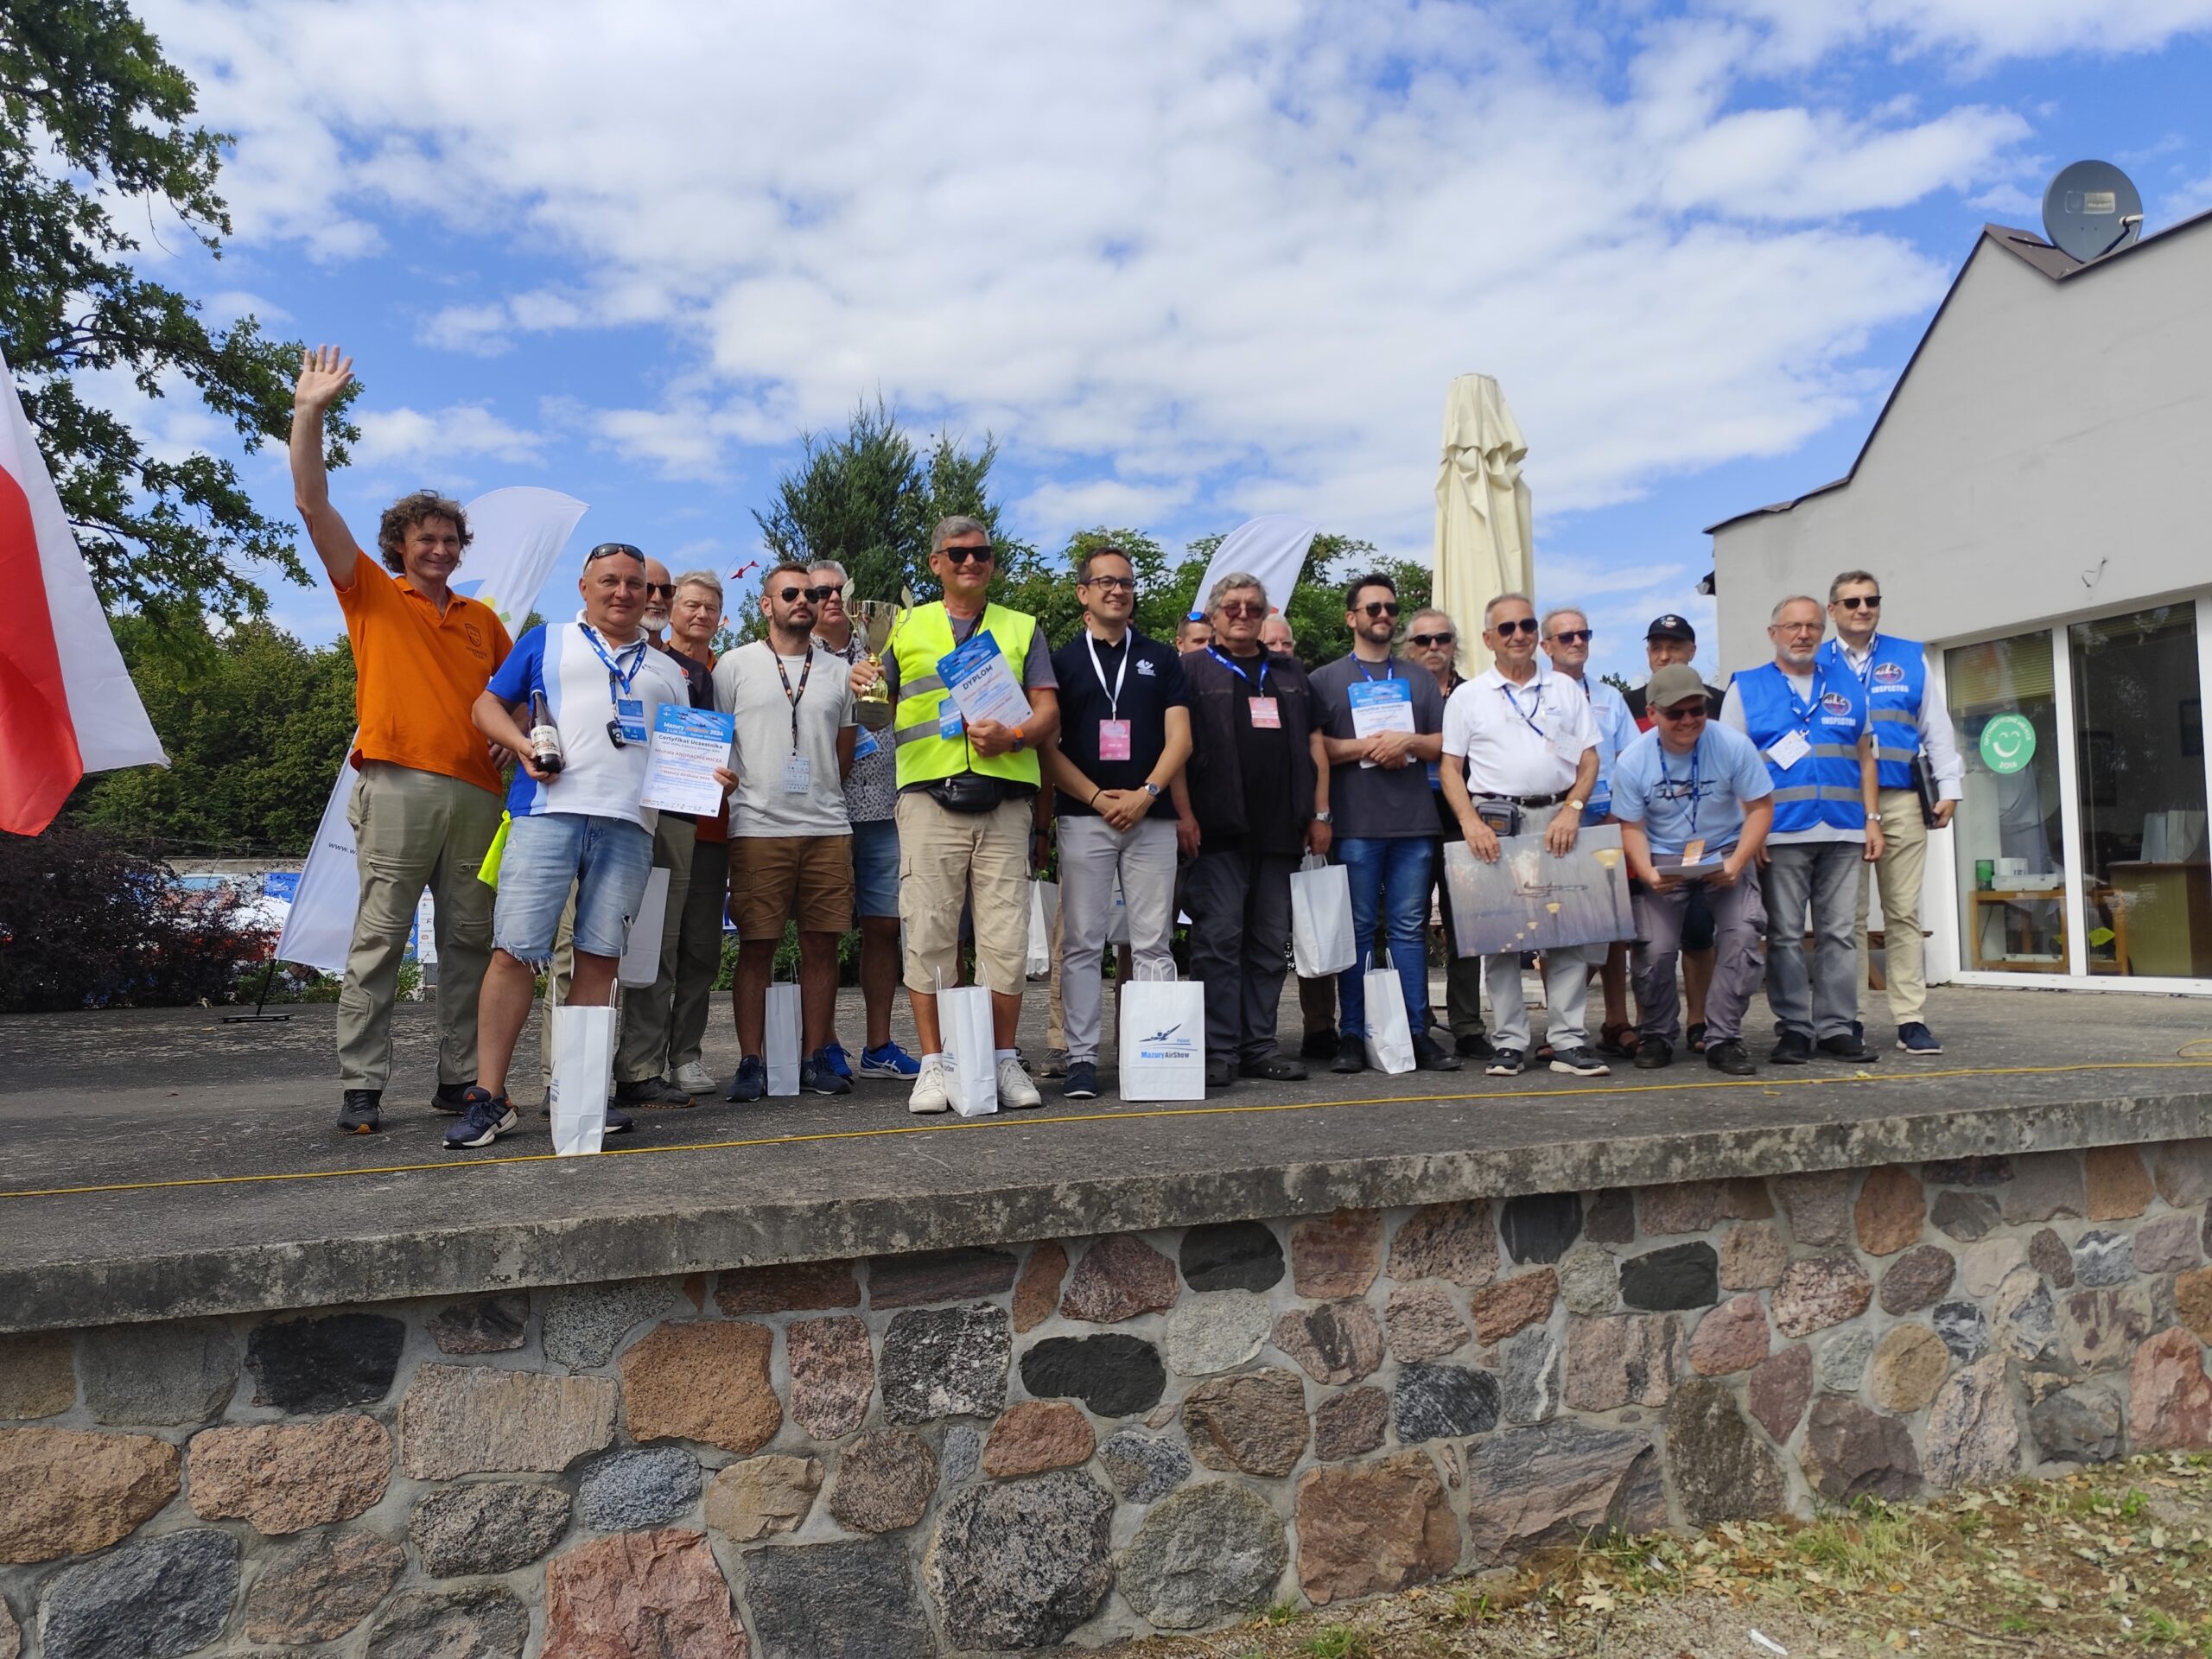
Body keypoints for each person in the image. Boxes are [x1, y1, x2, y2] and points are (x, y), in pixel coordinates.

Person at [289, 346, 512, 1136]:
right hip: (398, 785)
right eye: (427, 539)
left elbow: (518, 697)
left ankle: (458, 1083)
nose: (442, 550)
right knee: (379, 937)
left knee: (468, 946)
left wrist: (515, 741)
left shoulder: (484, 621)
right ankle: (362, 1086)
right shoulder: (371, 594)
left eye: (451, 540)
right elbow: (314, 506)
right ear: (400, 545)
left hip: (480, 798)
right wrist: (310, 411)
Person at [446, 543, 696, 1149]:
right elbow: (485, 705)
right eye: (609, 581)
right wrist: (523, 745)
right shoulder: (545, 640)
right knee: (514, 952)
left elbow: (686, 754)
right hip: (546, 814)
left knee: (601, 959)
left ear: (648, 595)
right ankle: (491, 1097)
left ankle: (576, 1093)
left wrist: (712, 778)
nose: (623, 593)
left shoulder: (668, 672)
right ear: (583, 586)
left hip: (631, 825)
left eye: (635, 584)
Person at [849, 516, 1060, 1114]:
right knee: (928, 937)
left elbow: (1047, 714)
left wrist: (1014, 735)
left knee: (1006, 942)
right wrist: (864, 679)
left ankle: (1000, 1060)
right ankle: (935, 1065)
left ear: (992, 563)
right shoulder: (901, 625)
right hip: (927, 800)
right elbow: (875, 716)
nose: (971, 562)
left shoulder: (1021, 628)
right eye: (958, 554)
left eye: (982, 554)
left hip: (1004, 800)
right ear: (936, 562)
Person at [1041, 546, 1193, 1099]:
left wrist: (1148, 793)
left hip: (1150, 818)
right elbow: (1046, 748)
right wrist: (1099, 797)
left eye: (1126, 583)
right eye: (1105, 582)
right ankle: (1081, 1057)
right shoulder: (1060, 662)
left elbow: (1181, 738)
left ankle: (1155, 1051)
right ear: (1083, 593)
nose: (1118, 591)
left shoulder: (1161, 658)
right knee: (1083, 941)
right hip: (1086, 816)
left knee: (1153, 941)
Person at [1440, 592, 1611, 1078]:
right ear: (1489, 638)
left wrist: (1573, 809)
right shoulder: (1468, 696)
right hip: (1495, 821)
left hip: (1559, 819)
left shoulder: (1564, 689)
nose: (1519, 635)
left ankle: (1567, 1041)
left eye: (1527, 625)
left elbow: (1590, 758)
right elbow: (1451, 769)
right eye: (1508, 628)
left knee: (1568, 934)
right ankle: (1510, 1041)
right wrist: (1469, 822)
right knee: (1501, 937)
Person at [715, 565, 860, 1100]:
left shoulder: (840, 671)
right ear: (766, 605)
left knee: (822, 946)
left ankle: (814, 1055)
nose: (806, 600)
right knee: (757, 946)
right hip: (756, 826)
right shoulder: (735, 665)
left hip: (826, 826)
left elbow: (844, 750)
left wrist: (818, 789)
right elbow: (715, 740)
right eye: (792, 593)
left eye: (816, 593)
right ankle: (751, 1061)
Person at [1721, 595, 1884, 1065]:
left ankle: (1836, 1027)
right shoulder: (1746, 688)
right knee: (1787, 935)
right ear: (1773, 633)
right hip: (1780, 832)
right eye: (1792, 626)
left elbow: (1865, 755)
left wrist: (1873, 821)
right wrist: (1745, 835)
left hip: (1844, 828)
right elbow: (1730, 768)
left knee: (1840, 933)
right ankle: (1793, 1027)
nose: (1803, 634)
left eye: (1812, 626)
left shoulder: (1849, 683)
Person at [1179, 574, 1328, 1088]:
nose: (1242, 614)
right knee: (1217, 940)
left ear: (1265, 613)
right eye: (1232, 606)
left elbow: (1315, 748)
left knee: (1268, 944)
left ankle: (1259, 1045)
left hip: (1281, 831)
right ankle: (1218, 1049)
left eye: (1252, 606)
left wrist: (1320, 814)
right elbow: (1174, 752)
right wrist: (1183, 814)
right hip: (1217, 829)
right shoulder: (1191, 670)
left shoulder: (1289, 672)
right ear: (1214, 615)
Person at [1311, 575, 1459, 1073]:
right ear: (1351, 617)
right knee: (1354, 932)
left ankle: (1417, 1033)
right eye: (1372, 608)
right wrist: (1367, 748)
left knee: (1408, 930)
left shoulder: (1418, 677)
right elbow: (1317, 749)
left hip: (1414, 825)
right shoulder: (1326, 679)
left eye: (1390, 609)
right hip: (1354, 825)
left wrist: (1407, 743)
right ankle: (1352, 1033)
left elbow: (1442, 743)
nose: (1383, 616)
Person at [1821, 570, 1963, 1057]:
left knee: (1903, 912)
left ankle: (1910, 1019)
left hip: (1901, 797)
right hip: (1844, 805)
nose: (1863, 608)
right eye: (1852, 601)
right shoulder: (1813, 663)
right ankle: (1849, 1019)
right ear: (1832, 610)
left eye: (1871, 600)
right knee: (1848, 918)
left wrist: (1950, 786)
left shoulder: (1908, 656)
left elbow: (1935, 726)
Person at [1611, 664, 1776, 1076]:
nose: (1688, 721)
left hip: (1724, 852)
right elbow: (1631, 827)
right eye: (1675, 713)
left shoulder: (1733, 746)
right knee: (1655, 949)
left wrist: (1738, 862)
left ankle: (1723, 1038)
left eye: (1696, 710)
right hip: (1664, 859)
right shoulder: (1633, 760)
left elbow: (1760, 808)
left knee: (1742, 935)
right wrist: (1647, 873)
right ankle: (1657, 1034)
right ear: (1652, 713)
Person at [604, 555, 715, 1107]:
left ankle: (641, 1066)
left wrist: (715, 776)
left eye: (663, 589)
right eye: (646, 586)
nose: (654, 596)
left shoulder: (691, 674)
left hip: (670, 816)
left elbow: (704, 748)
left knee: (657, 945)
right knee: (591, 945)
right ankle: (582, 1070)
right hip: (600, 811)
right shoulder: (590, 650)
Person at [808, 560, 921, 1081]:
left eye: (840, 591)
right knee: (824, 932)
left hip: (884, 808)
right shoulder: (793, 656)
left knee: (883, 926)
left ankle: (879, 1044)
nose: (831, 599)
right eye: (820, 591)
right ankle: (824, 1043)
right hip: (821, 813)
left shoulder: (883, 648)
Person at [1541, 607, 1641, 1057]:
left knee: (1613, 925)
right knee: (1557, 928)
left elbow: (1633, 761)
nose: (1577, 641)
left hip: (1606, 821)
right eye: (1566, 637)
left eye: (1583, 634)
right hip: (1556, 823)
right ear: (1546, 646)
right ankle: (1560, 1028)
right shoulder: (1535, 696)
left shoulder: (1609, 697)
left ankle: (1616, 1020)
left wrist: (1622, 816)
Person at [1626, 614, 1727, 1049]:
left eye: (1675, 646)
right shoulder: (1630, 705)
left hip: (1709, 837)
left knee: (1699, 932)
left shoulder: (1718, 703)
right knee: (1650, 940)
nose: (1665, 655)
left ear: (1692, 651)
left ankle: (1699, 1022)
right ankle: (1650, 1024)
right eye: (1656, 647)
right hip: (1649, 841)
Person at [1407, 608, 1489, 1058]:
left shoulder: (1477, 694)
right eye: (1423, 640)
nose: (1433, 646)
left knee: (1466, 927)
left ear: (1455, 644)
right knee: (1408, 924)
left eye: (1442, 638)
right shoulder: (1395, 691)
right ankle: (1414, 1017)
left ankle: (1467, 1024)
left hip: (1466, 821)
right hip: (1409, 819)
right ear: (1409, 647)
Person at [663, 571, 732, 1096]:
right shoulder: (647, 661)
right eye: (691, 604)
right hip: (658, 824)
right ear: (670, 609)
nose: (700, 615)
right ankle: (636, 1059)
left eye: (710, 607)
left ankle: (685, 1053)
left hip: (712, 828)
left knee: (702, 949)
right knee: (652, 948)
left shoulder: (729, 672)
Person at [1257, 613, 1338, 1059]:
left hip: (1301, 827)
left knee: (1315, 925)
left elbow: (1318, 753)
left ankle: (1321, 1027)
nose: (1280, 651)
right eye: (1272, 644)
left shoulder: (1302, 687)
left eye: (1287, 644)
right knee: (1260, 938)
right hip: (1252, 833)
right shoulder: (1241, 680)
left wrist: (1320, 815)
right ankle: (1251, 1037)